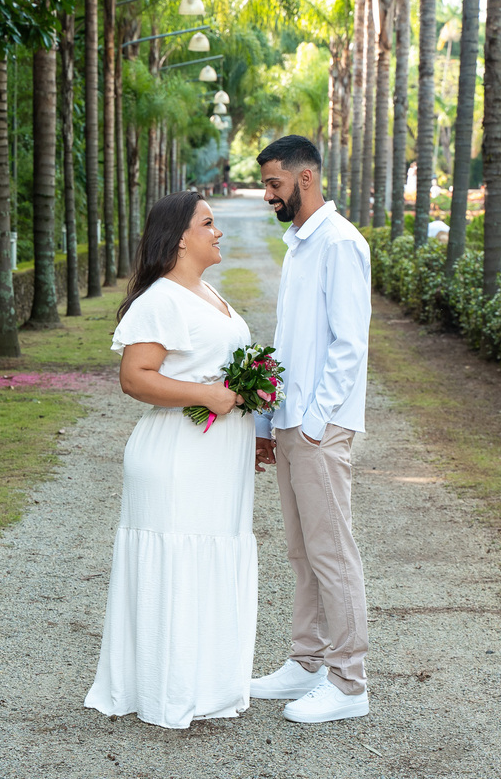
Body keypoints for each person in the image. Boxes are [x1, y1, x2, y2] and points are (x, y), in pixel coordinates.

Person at [84, 191, 259, 729]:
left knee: (213, 560)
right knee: (178, 563)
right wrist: (207, 396)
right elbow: (135, 377)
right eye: (209, 223)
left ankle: (206, 684)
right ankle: (166, 689)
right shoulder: (160, 299)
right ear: (180, 236)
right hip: (178, 455)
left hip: (219, 454)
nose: (218, 232)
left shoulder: (207, 292)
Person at [251, 135, 372, 724]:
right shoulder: (300, 244)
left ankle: (349, 684)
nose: (267, 195)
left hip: (320, 427)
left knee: (332, 555)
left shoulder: (340, 243)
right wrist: (271, 420)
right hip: (294, 420)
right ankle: (306, 663)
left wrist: (317, 422)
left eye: (273, 183)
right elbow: (292, 346)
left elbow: (349, 345)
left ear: (304, 179)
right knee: (302, 552)